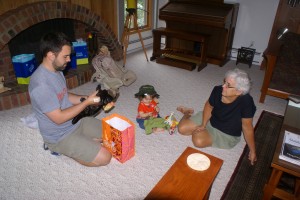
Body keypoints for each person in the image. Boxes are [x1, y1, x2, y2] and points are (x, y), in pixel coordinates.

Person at [29, 32, 112, 167]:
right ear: (51, 55)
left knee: (113, 133)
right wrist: (86, 103)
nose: (69, 60)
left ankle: (83, 142)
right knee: (105, 157)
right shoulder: (40, 86)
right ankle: (56, 148)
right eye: (65, 56)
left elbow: (64, 95)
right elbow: (59, 118)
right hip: (59, 136)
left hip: (76, 121)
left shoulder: (56, 70)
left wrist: (87, 98)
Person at [177, 68, 257, 165]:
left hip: (226, 133)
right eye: (224, 82)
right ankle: (187, 113)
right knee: (181, 129)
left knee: (198, 141)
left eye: (228, 85)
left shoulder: (246, 102)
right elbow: (209, 105)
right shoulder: (218, 90)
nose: (223, 86)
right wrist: (203, 124)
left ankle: (201, 130)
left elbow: (247, 127)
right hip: (211, 118)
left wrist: (252, 151)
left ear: (239, 91)